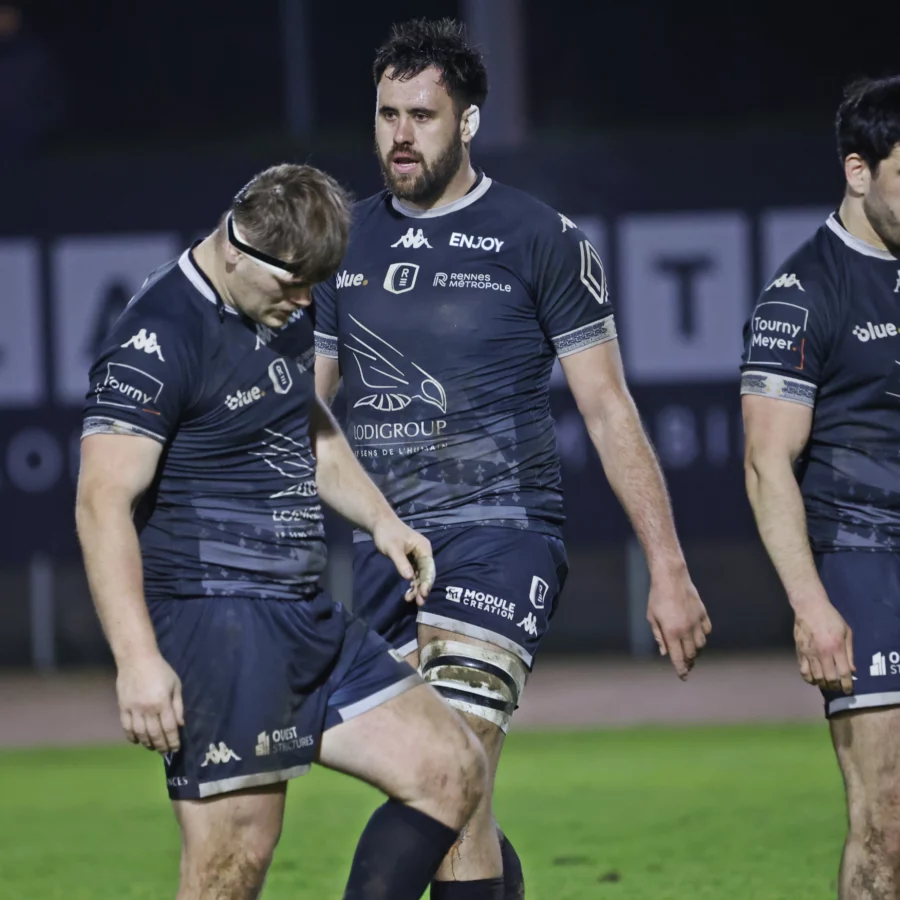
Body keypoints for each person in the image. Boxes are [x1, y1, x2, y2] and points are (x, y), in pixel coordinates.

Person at [314, 18, 711, 900]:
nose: (401, 135)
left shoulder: (540, 238)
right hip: (388, 554)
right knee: (448, 786)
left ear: (469, 123)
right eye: (387, 114)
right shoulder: (339, 243)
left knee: (456, 750)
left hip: (506, 534)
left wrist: (669, 567)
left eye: (422, 114)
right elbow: (307, 414)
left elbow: (609, 411)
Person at [75, 162, 488, 900]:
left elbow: (308, 424)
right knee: (232, 867)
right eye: (293, 284)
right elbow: (100, 502)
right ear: (237, 248)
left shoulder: (277, 306)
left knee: (449, 769)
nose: (304, 302)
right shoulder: (158, 335)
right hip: (217, 623)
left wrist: (382, 520)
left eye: (314, 285)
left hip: (303, 610)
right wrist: (137, 660)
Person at [741, 76, 900, 898]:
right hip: (864, 559)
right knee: (887, 822)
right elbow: (767, 463)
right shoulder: (802, 294)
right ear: (859, 170)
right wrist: (811, 606)